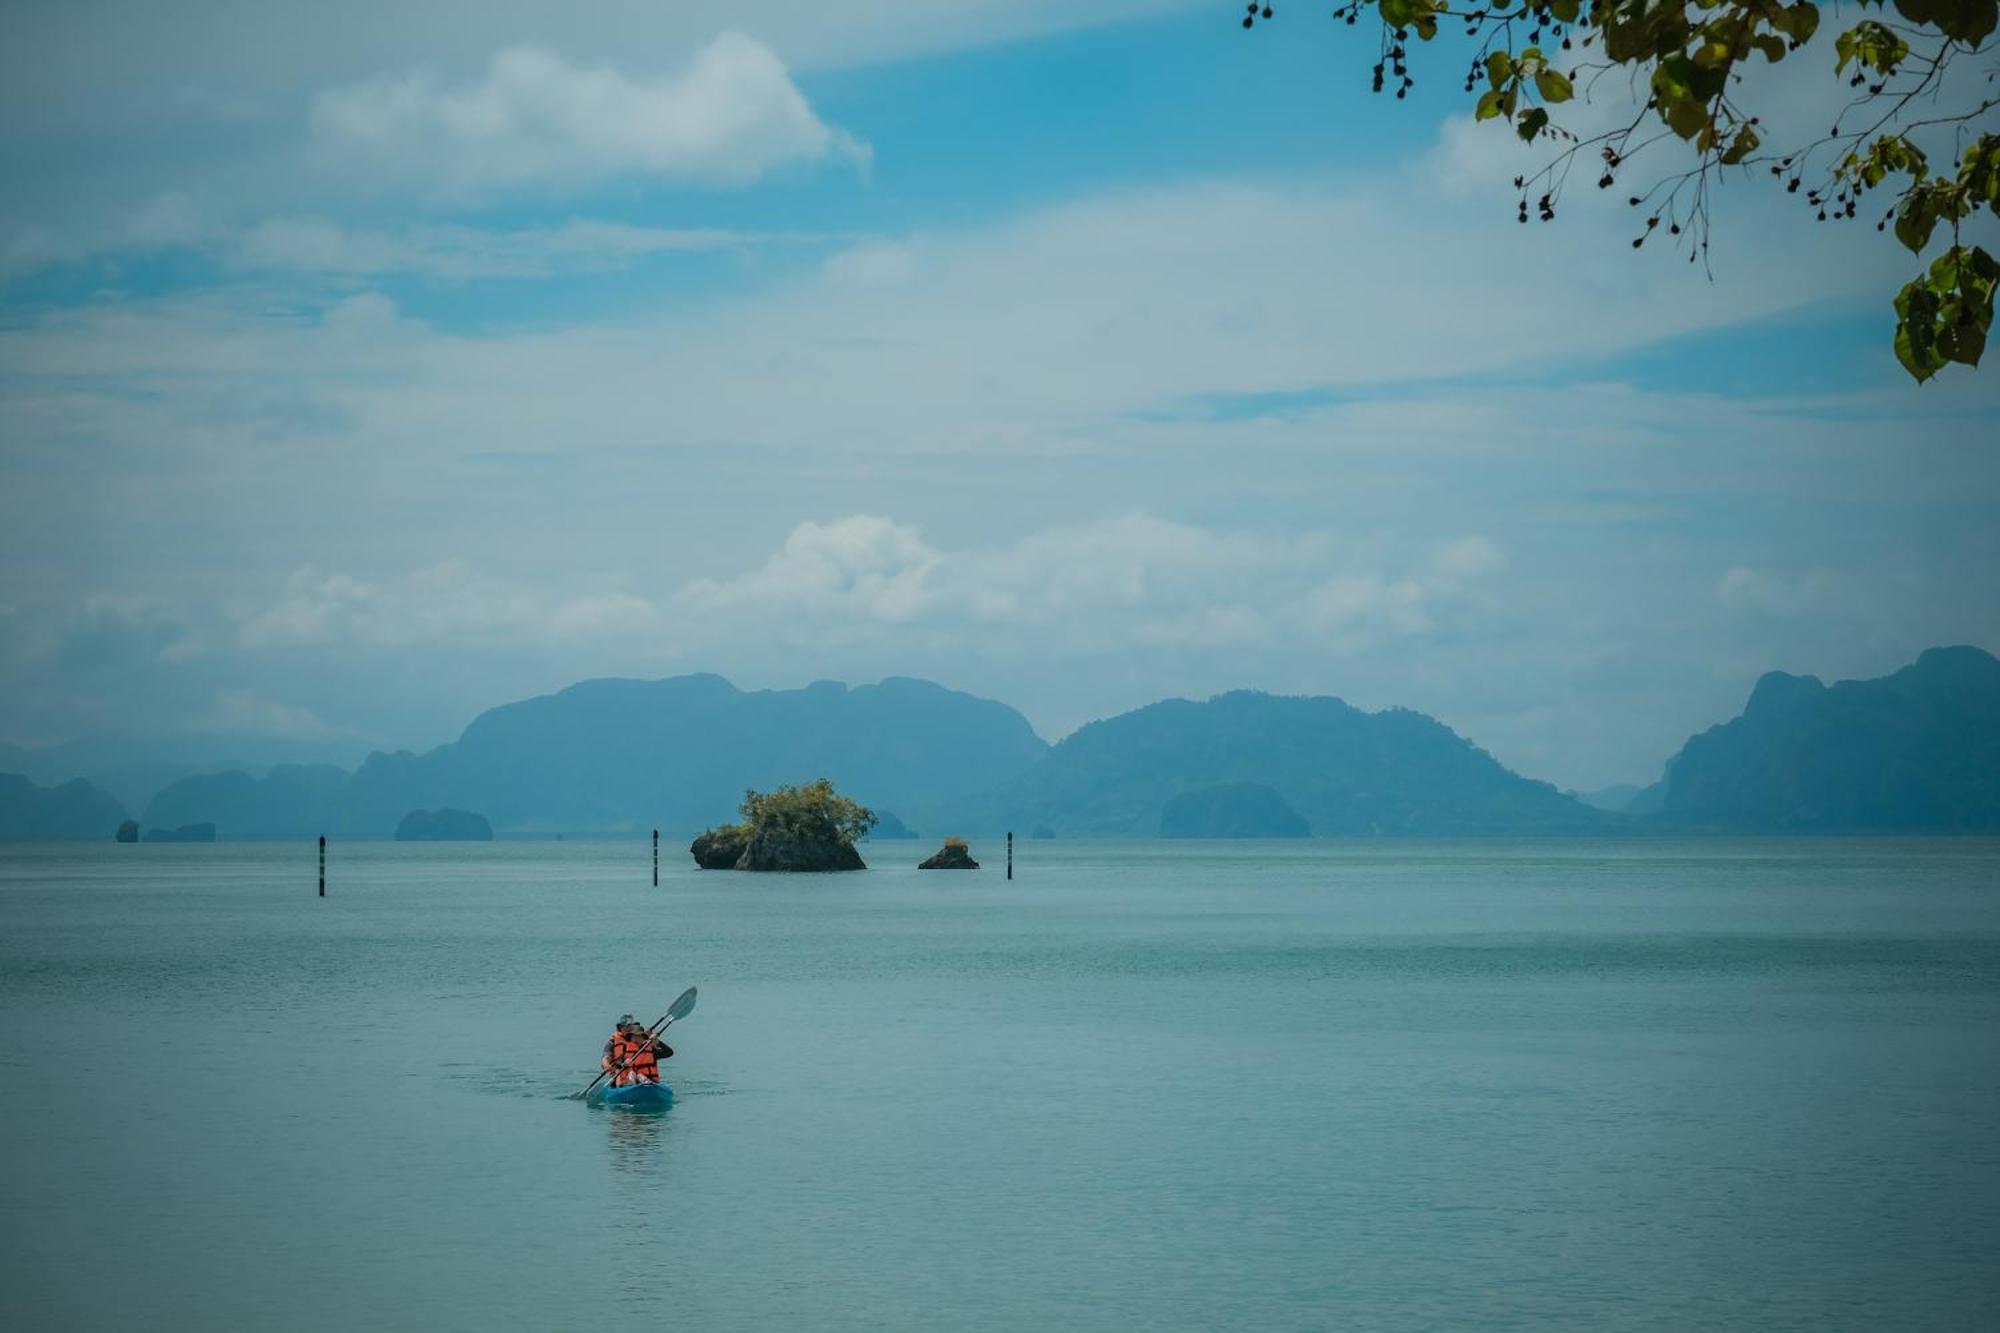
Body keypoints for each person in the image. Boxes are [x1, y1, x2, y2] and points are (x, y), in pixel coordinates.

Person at [602, 1013, 673, 1087]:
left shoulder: (649, 1049)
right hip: (625, 1080)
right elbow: (613, 1061)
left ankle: (647, 1084)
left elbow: (669, 1053)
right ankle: (630, 1085)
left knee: (639, 1076)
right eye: (634, 1036)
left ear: (643, 1037)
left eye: (639, 1036)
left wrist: (657, 1041)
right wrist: (620, 1064)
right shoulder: (622, 1047)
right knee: (632, 1074)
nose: (637, 1038)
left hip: (647, 1082)